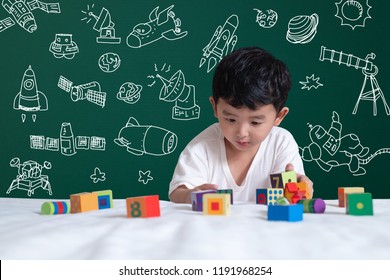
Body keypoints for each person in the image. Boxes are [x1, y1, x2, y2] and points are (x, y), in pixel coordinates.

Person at [169, 46, 313, 203]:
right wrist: (191, 195)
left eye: (255, 122)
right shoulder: (201, 147)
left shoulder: (281, 144)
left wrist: (300, 189)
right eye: (231, 119)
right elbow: (177, 193)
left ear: (279, 116)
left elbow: (287, 197)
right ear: (215, 107)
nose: (242, 132)